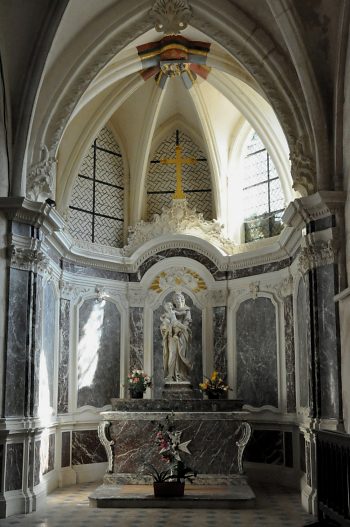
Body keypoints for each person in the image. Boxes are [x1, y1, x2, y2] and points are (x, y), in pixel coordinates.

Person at [160, 292, 192, 383]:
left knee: (181, 354)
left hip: (182, 335)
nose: (177, 300)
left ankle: (181, 376)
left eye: (179, 298)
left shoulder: (186, 310)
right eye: (175, 299)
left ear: (183, 299)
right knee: (172, 354)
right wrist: (166, 326)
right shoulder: (170, 312)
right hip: (171, 335)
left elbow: (187, 322)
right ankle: (171, 375)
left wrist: (180, 330)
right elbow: (164, 323)